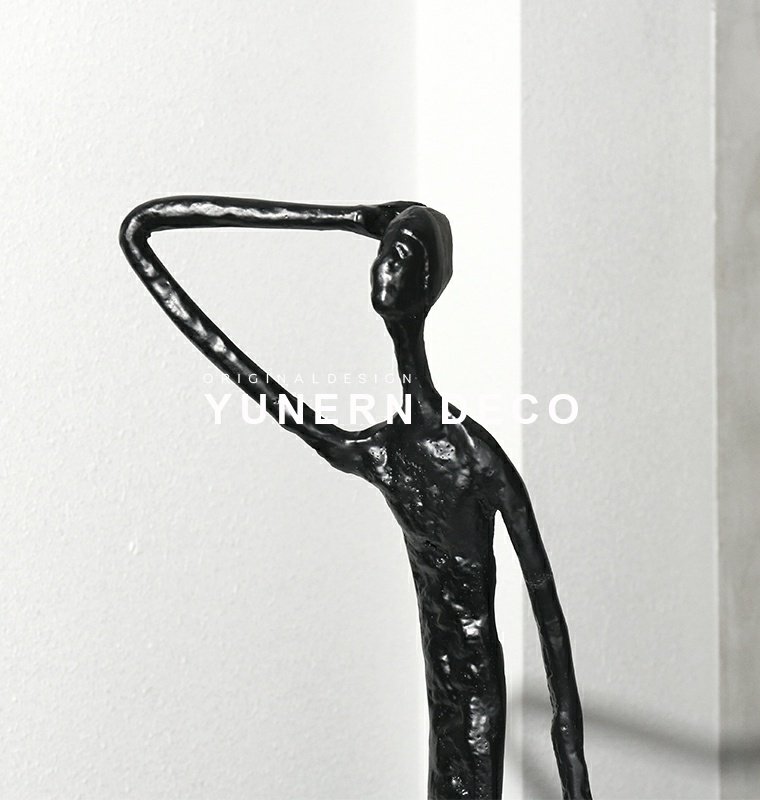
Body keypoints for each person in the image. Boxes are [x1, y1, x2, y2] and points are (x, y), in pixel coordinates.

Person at [120, 197, 591, 800]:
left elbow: (551, 630)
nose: (385, 267)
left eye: (401, 255)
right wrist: (348, 219)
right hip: (445, 690)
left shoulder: (472, 457)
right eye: (384, 253)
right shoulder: (382, 450)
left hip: (475, 699)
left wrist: (574, 780)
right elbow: (140, 231)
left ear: (428, 280)